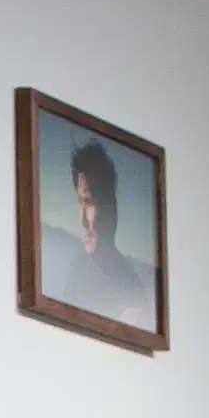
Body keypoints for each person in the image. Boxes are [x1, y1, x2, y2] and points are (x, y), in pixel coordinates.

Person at [39, 134, 157, 329]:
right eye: (81, 204)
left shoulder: (125, 280)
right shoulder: (78, 270)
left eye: (90, 203)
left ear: (109, 207)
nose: (83, 219)